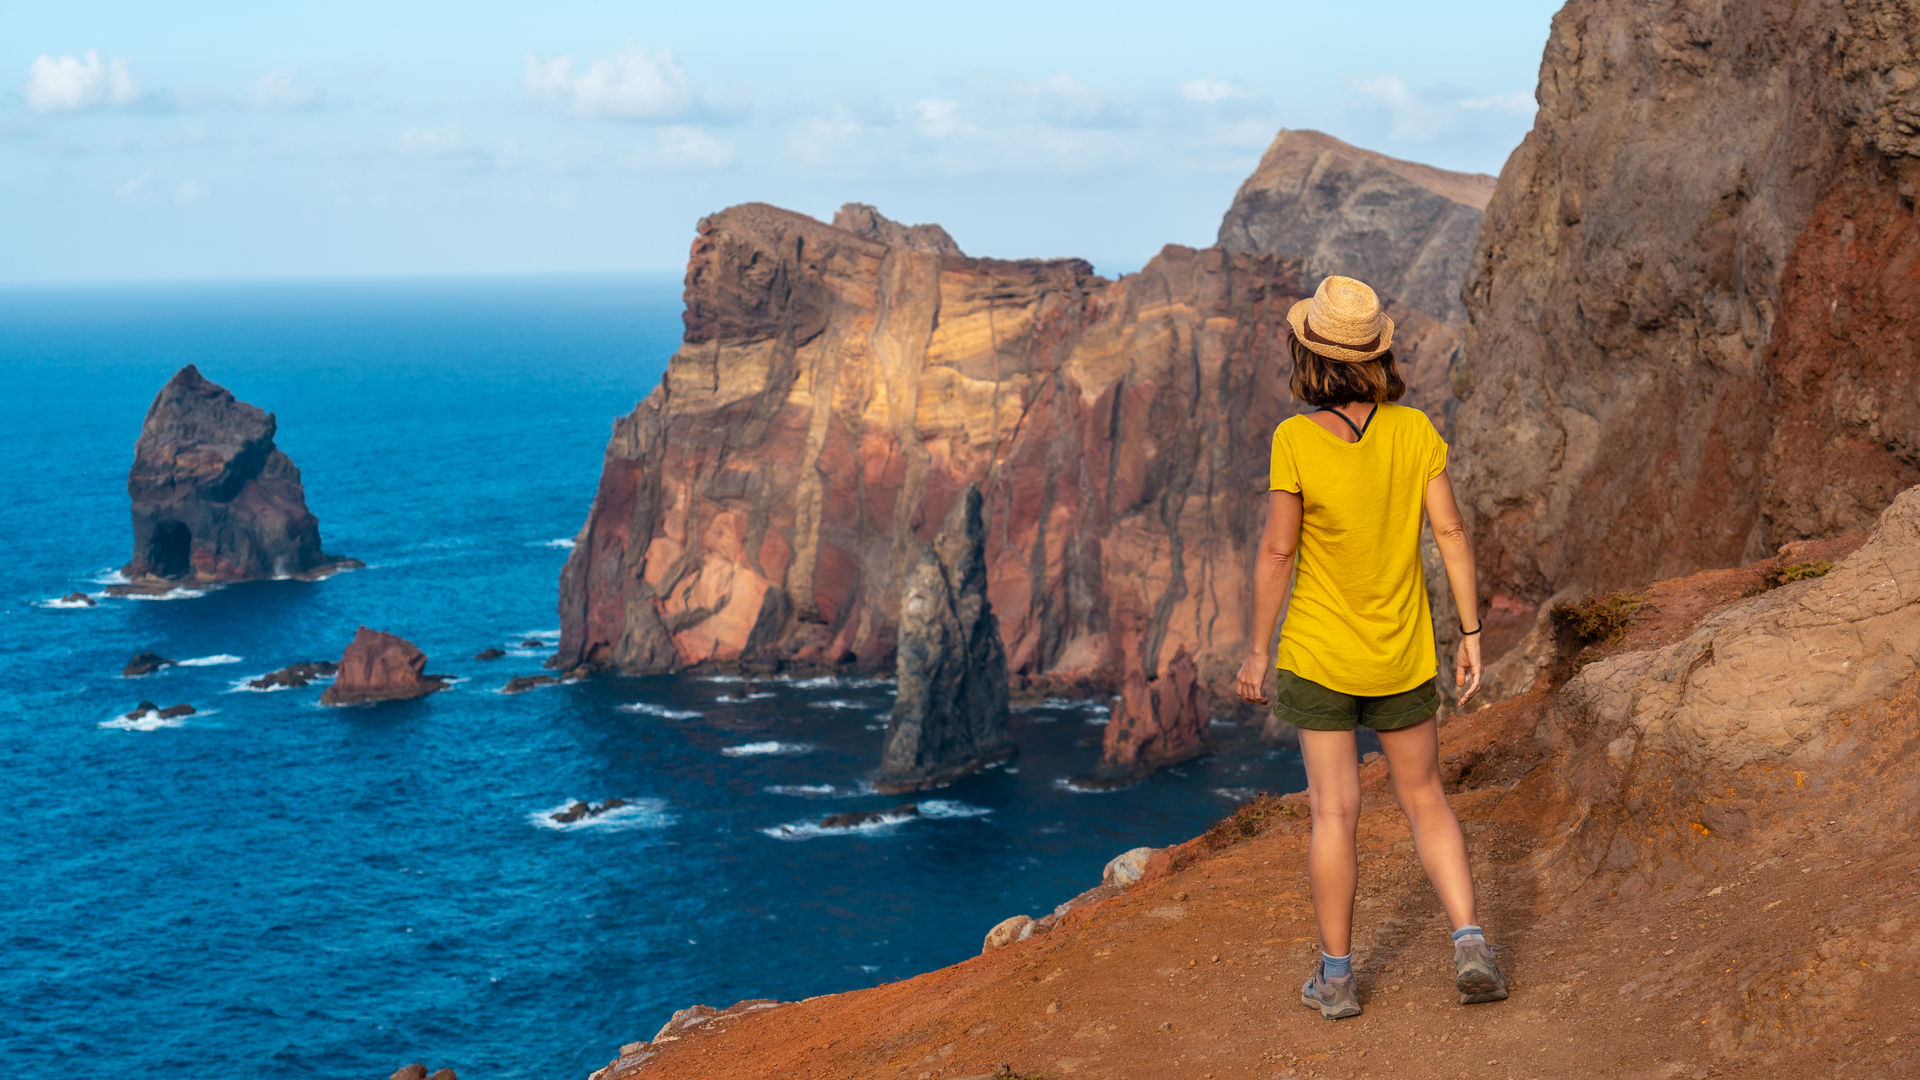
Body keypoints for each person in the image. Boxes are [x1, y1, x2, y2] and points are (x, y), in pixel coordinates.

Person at [1234, 274, 1508, 1021]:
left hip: (1320, 656)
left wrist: (1257, 652)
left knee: (1334, 813)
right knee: (1426, 799)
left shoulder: (1293, 439)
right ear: (1377, 354)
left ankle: (1337, 979)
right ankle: (1472, 943)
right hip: (1402, 654)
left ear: (1311, 355)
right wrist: (1472, 630)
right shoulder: (1415, 432)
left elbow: (1276, 554)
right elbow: (1450, 533)